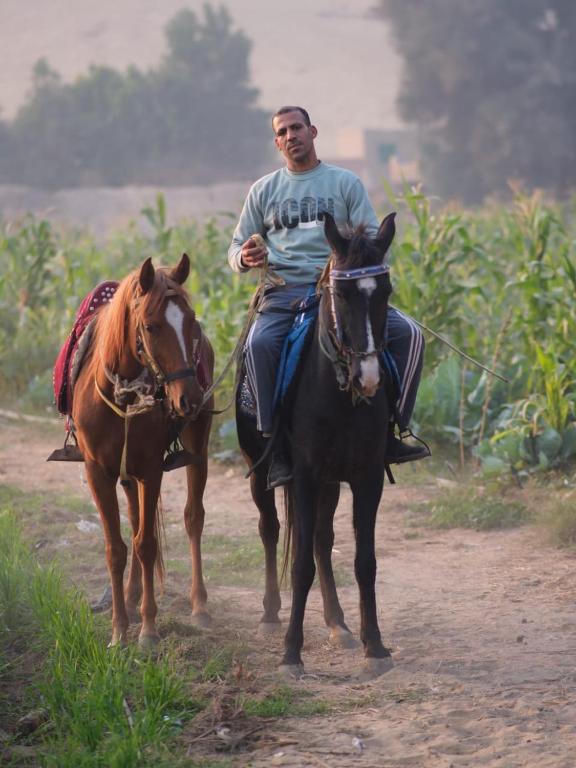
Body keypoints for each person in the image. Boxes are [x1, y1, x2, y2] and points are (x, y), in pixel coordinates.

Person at [228, 105, 428, 488]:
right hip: (284, 293)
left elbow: (371, 237)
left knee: (410, 335)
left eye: (297, 128)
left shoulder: (344, 183)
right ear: (277, 142)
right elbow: (236, 246)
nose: (291, 136)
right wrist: (244, 256)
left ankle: (394, 430)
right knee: (259, 344)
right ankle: (273, 445)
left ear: (313, 132)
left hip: (343, 292)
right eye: (283, 132)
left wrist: (352, 261)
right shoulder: (264, 190)